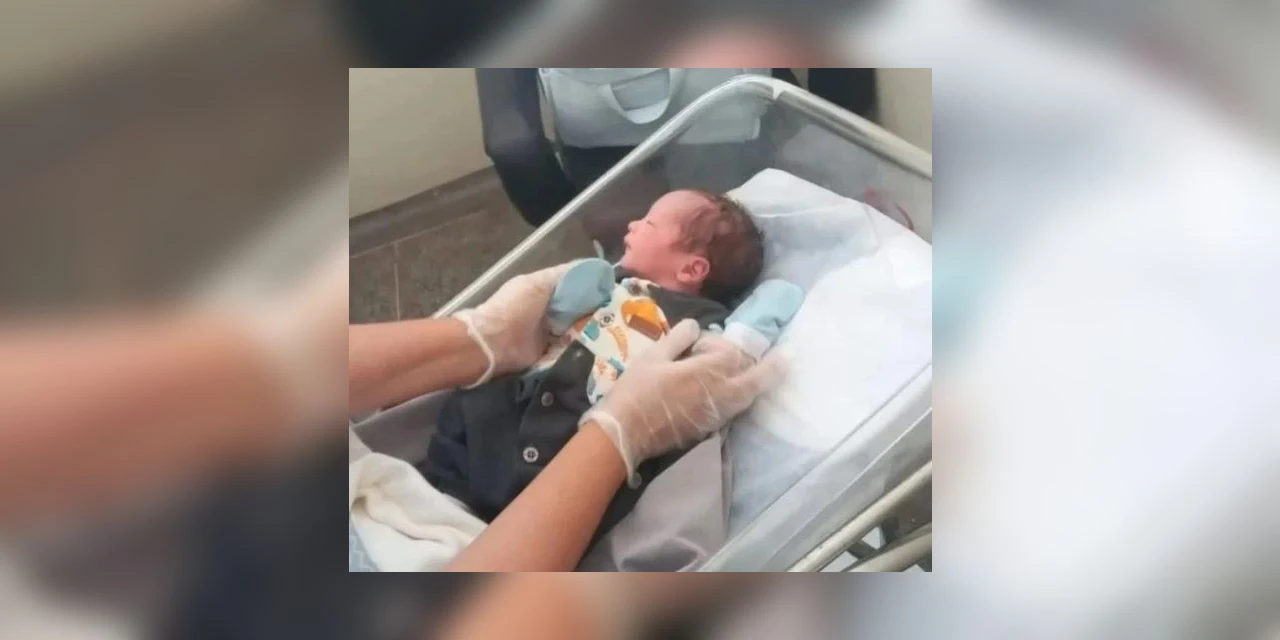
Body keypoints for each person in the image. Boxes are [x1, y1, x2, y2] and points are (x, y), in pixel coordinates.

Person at [418, 189, 767, 538]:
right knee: (474, 409)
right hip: (529, 389)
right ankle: (445, 501)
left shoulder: (698, 320)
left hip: (586, 418)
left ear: (691, 269)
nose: (632, 224)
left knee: (579, 485)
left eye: (649, 223)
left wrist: (753, 328)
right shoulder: (611, 283)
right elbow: (557, 319)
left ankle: (484, 525)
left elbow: (720, 360)